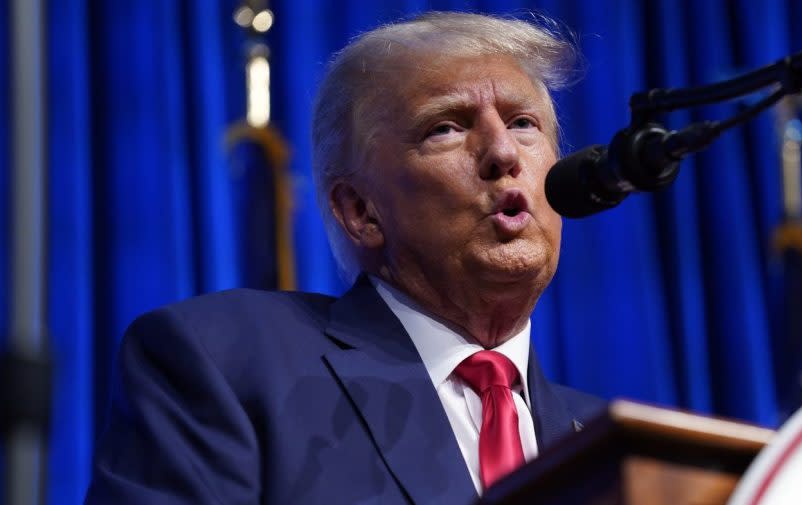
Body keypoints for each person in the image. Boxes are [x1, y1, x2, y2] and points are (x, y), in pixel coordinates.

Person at [85, 11, 604, 505]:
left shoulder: (615, 443)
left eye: (523, 123)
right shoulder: (223, 363)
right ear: (360, 211)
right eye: (445, 127)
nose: (503, 153)